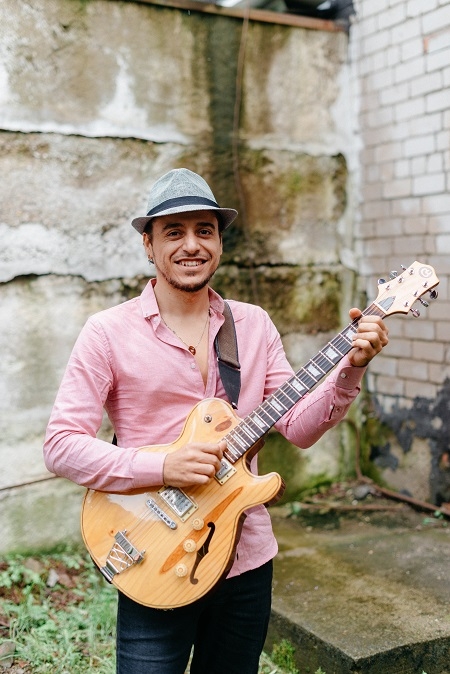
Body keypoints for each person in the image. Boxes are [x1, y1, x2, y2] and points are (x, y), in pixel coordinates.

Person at [43, 168, 389, 674]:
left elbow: (298, 428)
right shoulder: (107, 333)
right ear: (148, 244)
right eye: (174, 232)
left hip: (245, 559)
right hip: (152, 553)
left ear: (220, 243)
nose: (192, 245)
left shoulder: (253, 324)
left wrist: (350, 370)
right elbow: (61, 444)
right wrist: (164, 467)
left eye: (204, 230)